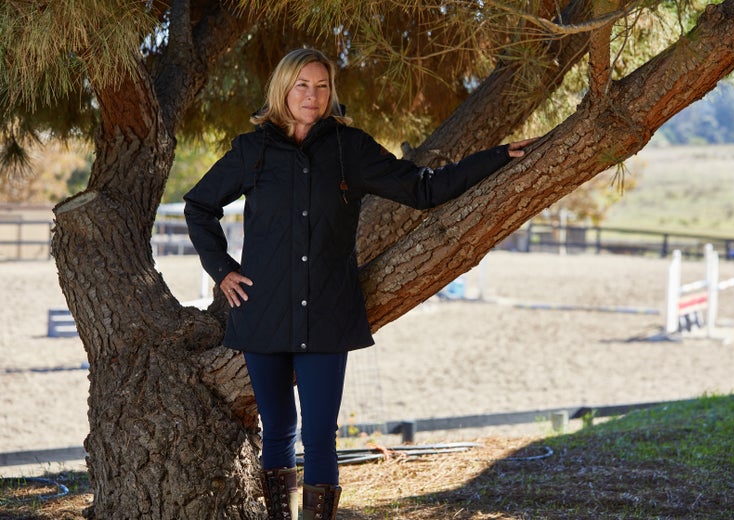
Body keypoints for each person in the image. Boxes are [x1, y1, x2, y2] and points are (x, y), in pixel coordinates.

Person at [184, 48, 538, 520]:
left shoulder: (349, 149)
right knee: (277, 428)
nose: (312, 96)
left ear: (332, 93)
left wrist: (495, 158)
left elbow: (424, 188)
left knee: (320, 434)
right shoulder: (252, 151)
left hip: (329, 313)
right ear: (282, 90)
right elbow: (199, 206)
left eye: (322, 86)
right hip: (262, 310)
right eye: (302, 86)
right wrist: (221, 268)